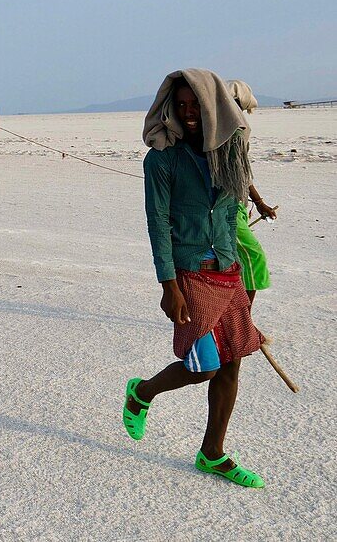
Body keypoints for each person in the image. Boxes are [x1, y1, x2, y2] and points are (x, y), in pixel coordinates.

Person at [123, 69, 266, 488]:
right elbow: (157, 222)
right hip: (189, 273)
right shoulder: (162, 159)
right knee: (204, 367)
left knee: (232, 364)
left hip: (227, 267)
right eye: (180, 106)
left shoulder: (229, 150)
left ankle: (212, 453)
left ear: (212, 107)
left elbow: (230, 210)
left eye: (195, 106)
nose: (187, 115)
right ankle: (142, 393)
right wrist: (169, 286)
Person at [226, 79, 278, 301]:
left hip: (235, 204)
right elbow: (238, 173)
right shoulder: (232, 130)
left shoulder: (229, 128)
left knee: (236, 260)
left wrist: (256, 202)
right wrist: (258, 202)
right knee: (253, 257)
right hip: (225, 207)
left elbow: (240, 173)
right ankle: (243, 323)